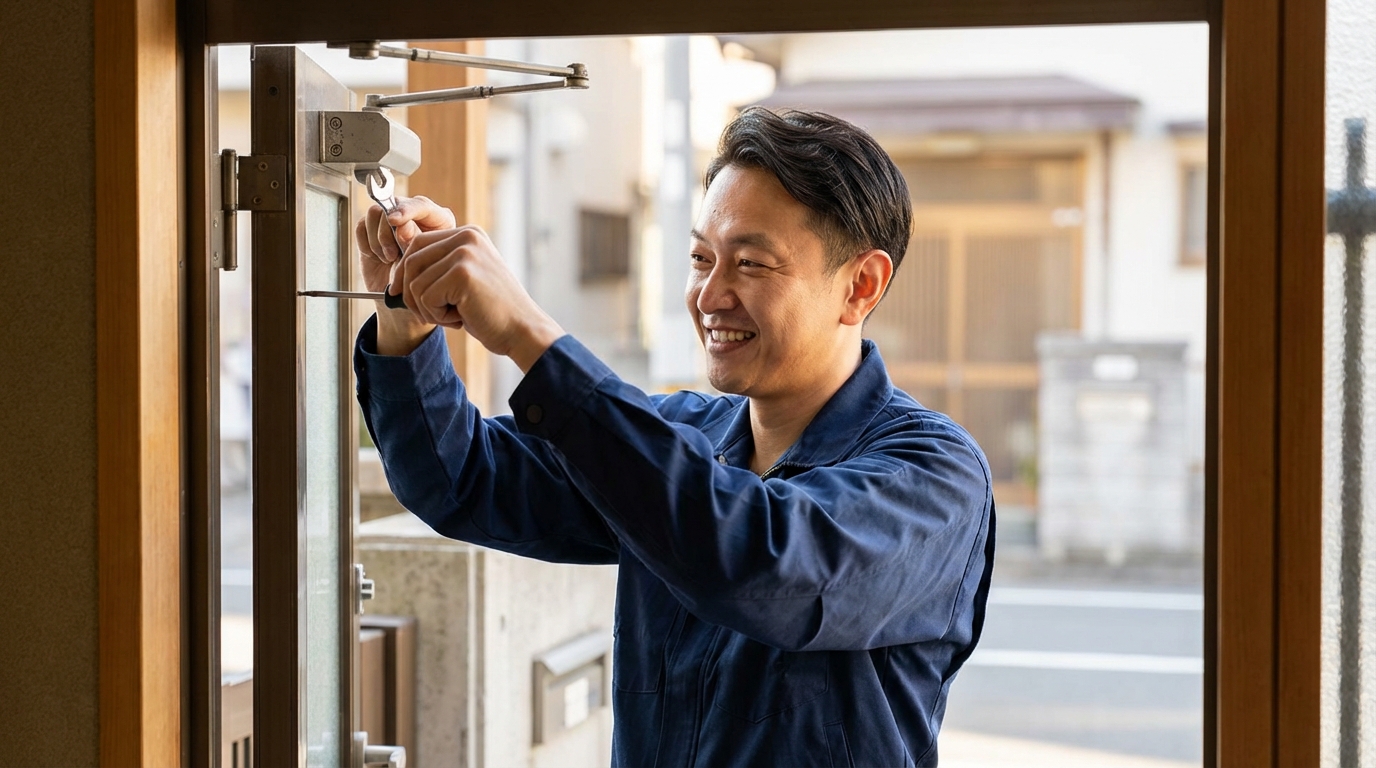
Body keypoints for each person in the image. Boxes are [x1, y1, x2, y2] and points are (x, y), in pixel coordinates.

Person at [353, 107, 995, 768]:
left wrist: (528, 334)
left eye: (750, 264)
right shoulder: (681, 437)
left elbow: (760, 565)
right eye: (700, 258)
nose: (710, 296)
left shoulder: (934, 477)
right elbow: (463, 479)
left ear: (860, 286)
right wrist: (405, 314)